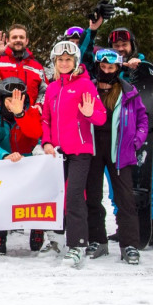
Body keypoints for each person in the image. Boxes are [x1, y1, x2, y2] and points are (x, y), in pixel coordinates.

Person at [40, 40, 107, 267]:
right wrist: (47, 142)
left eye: (68, 59)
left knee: (75, 197)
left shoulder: (85, 85)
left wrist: (89, 114)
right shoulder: (52, 88)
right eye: (60, 60)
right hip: (58, 153)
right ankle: (58, 239)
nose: (65, 63)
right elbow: (46, 118)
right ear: (55, 63)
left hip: (80, 151)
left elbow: (101, 117)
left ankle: (78, 244)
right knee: (58, 196)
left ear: (76, 61)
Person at [86, 49, 148, 264]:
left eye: (111, 67)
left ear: (117, 68)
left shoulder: (128, 90)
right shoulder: (89, 88)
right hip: (93, 149)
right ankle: (97, 240)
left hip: (120, 149)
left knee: (125, 199)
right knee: (92, 196)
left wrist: (137, 140)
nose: (106, 71)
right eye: (103, 67)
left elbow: (143, 119)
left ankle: (129, 243)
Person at [105, 26, 153, 248]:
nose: (121, 49)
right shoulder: (108, 68)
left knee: (146, 179)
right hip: (114, 138)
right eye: (116, 46)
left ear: (132, 46)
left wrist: (136, 71)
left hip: (140, 136)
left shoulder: (146, 69)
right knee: (116, 186)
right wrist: (119, 68)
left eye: (124, 45)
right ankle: (124, 226)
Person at [0, 77, 47, 253]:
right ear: (3, 101)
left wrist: (20, 115)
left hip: (29, 163)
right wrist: (4, 155)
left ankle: (37, 228)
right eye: (10, 100)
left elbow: (36, 133)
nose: (13, 104)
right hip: (5, 164)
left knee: (36, 197)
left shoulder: (32, 113)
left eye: (18, 99)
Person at [0, 25, 46, 103]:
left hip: (28, 113)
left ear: (27, 41)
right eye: (14, 37)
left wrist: (39, 105)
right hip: (1, 112)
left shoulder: (37, 66)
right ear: (7, 40)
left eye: (21, 37)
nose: (18, 40)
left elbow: (45, 90)